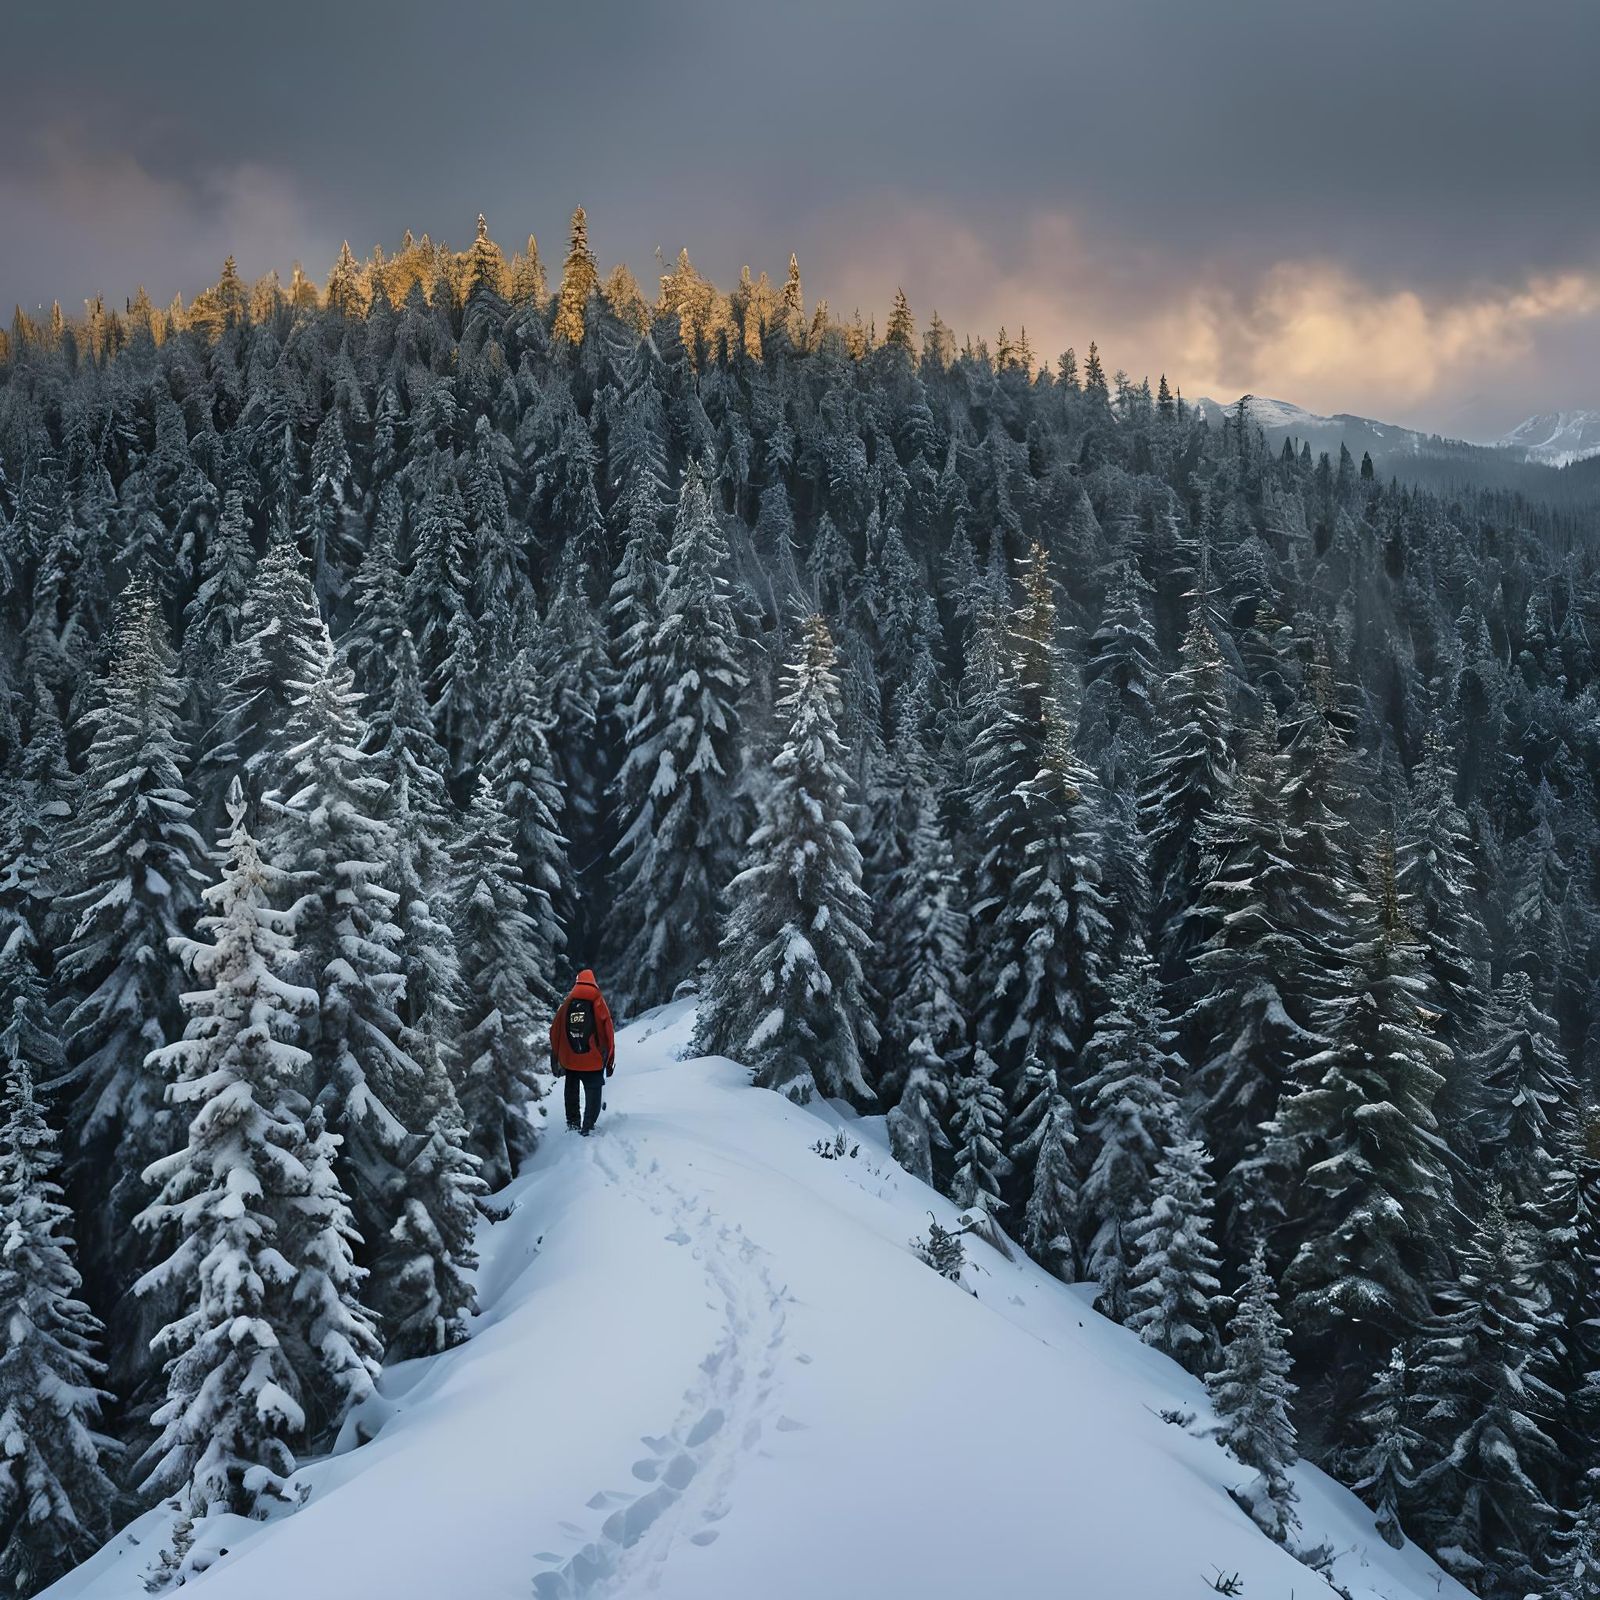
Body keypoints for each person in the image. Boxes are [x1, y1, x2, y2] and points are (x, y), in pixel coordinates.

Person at [550, 968, 615, 1135]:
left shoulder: (567, 1003)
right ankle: (588, 1125)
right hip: (593, 1060)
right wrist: (609, 1062)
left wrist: (558, 1056)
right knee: (593, 1091)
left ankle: (573, 1123)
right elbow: (609, 1032)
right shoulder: (598, 1000)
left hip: (570, 1060)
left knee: (571, 1091)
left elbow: (554, 1031)